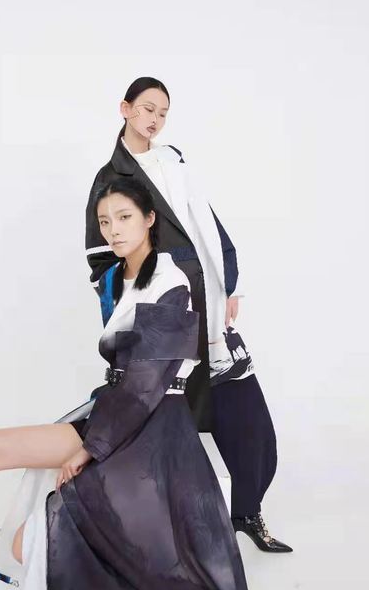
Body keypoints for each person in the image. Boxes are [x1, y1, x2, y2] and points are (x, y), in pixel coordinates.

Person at [0, 177, 293, 590]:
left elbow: (149, 382)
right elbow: (125, 381)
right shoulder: (119, 277)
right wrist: (95, 430)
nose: (114, 230)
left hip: (150, 428)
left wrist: (89, 448)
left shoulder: (170, 279)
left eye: (124, 217)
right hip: (115, 413)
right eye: (105, 221)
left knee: (25, 545)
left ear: (149, 220)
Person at [85, 77, 292, 553]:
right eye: (147, 109)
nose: (155, 120)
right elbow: (101, 259)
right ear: (125, 109)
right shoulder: (111, 176)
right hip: (166, 316)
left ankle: (246, 513)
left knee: (247, 416)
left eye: (163, 112)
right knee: (173, 426)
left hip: (211, 305)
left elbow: (207, 222)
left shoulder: (173, 160)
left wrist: (228, 282)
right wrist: (141, 307)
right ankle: (178, 539)